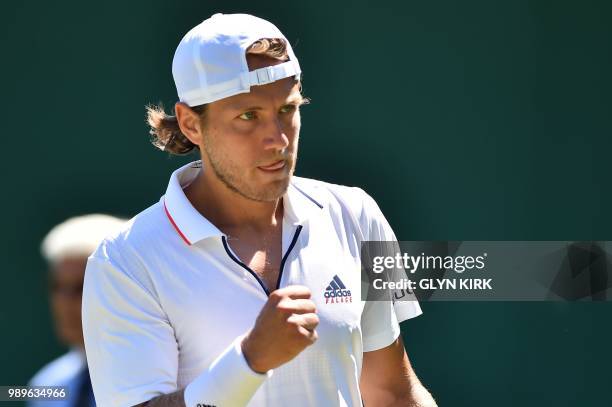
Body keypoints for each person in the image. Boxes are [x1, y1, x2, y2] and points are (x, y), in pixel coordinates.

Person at [82, 13, 436, 407]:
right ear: (190, 124)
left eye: (287, 110)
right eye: (248, 116)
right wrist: (249, 362)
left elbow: (392, 393)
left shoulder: (355, 213)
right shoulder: (124, 261)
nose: (278, 140)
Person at [28, 214, 126, 407]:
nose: (64, 303)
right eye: (57, 287)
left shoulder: (157, 378)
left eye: (81, 287)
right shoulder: (47, 384)